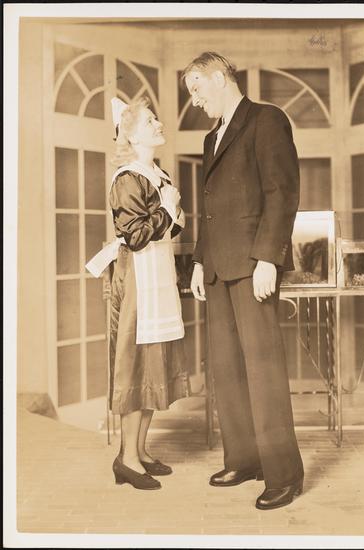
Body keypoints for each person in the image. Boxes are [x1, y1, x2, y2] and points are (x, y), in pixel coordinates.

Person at [182, 52, 304, 510]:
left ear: (219, 78)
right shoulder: (211, 137)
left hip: (253, 266)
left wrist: (268, 259)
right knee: (228, 369)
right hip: (217, 268)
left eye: (197, 89)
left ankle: (284, 475)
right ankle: (244, 459)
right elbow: (210, 208)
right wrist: (199, 261)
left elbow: (281, 192)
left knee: (263, 371)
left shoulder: (266, 120)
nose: (195, 101)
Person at [86, 96, 189, 490]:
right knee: (136, 365)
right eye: (149, 121)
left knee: (152, 365)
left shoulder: (156, 174)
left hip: (158, 277)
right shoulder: (128, 178)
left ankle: (140, 450)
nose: (158, 123)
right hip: (137, 281)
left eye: (156, 118)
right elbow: (137, 236)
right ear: (130, 136)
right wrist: (169, 210)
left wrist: (170, 214)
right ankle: (127, 459)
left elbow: (169, 229)